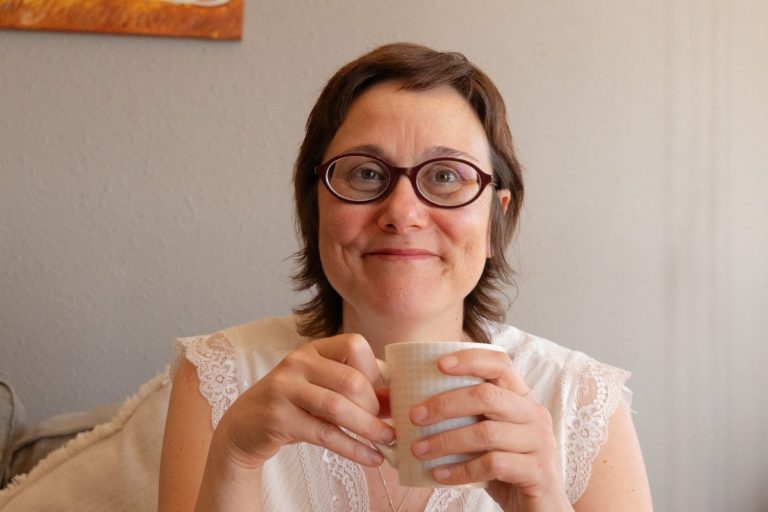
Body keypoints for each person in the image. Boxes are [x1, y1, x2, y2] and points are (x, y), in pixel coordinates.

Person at [158, 42, 653, 512]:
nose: (402, 213)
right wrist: (235, 458)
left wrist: (545, 504)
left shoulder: (580, 401)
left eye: (445, 176)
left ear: (495, 221)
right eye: (366, 173)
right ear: (316, 208)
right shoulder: (222, 378)